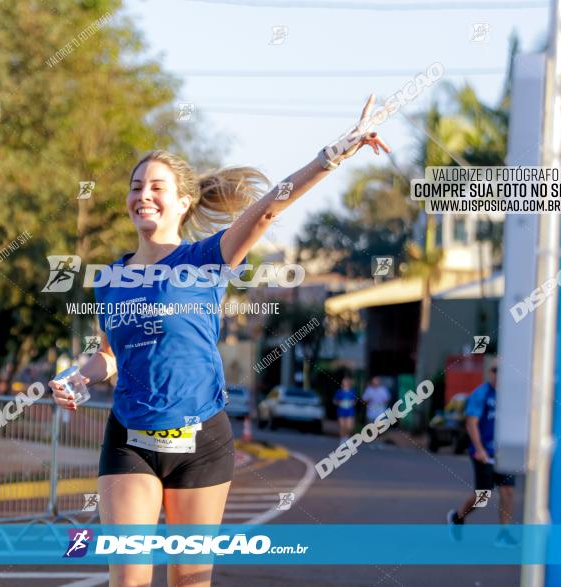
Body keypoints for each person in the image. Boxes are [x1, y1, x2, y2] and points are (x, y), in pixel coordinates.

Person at [49, 97, 390, 587]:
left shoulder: (206, 258)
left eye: (157, 187)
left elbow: (271, 204)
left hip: (201, 441)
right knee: (128, 581)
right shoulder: (111, 278)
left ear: (184, 202)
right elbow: (108, 354)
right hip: (130, 439)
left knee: (190, 581)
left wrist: (333, 153)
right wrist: (78, 376)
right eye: (136, 187)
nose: (144, 195)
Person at [447, 363, 517, 546]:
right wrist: (479, 449)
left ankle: (504, 533)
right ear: (490, 374)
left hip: (505, 452)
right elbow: (472, 423)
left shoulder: (511, 394)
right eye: (496, 373)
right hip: (484, 452)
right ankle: (458, 518)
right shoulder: (481, 394)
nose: (499, 377)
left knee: (508, 491)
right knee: (483, 496)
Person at [333, 376, 358, 445]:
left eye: (346, 381)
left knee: (349, 427)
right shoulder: (339, 391)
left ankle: (346, 437)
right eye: (344, 381)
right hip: (341, 411)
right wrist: (339, 403)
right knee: (342, 426)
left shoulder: (352, 391)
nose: (345, 382)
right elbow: (334, 401)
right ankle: (342, 439)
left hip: (350, 411)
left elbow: (355, 401)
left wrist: (352, 403)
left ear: (349, 383)